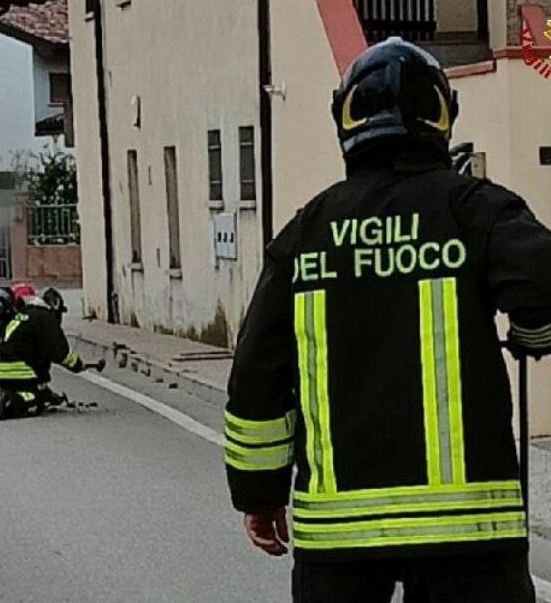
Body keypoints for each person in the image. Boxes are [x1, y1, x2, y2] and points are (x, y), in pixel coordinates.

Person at [225, 37, 551, 603]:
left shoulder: (305, 235)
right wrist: (533, 335)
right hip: (471, 533)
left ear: (345, 120)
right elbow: (544, 285)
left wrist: (259, 494)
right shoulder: (476, 209)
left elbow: (256, 382)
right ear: (441, 115)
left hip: (340, 538)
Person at [0, 285, 84, 420]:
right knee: (36, 398)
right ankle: (7, 403)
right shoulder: (41, 315)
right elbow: (60, 353)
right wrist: (78, 365)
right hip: (14, 372)